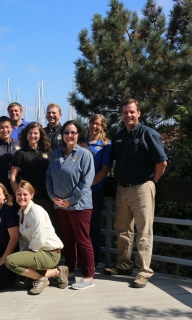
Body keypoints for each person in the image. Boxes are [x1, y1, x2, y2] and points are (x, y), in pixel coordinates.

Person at [104, 98, 167, 288]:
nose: (128, 115)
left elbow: (161, 163)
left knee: (144, 232)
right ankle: (123, 265)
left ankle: (143, 271)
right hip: (122, 189)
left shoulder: (149, 134)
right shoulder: (119, 136)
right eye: (125, 112)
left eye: (132, 112)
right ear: (121, 115)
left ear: (138, 113)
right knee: (123, 230)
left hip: (142, 189)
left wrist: (151, 182)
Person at [46, 120, 95, 290]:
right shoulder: (56, 154)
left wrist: (70, 200)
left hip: (79, 206)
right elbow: (49, 178)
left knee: (83, 240)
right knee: (67, 240)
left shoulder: (85, 154)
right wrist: (53, 197)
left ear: (78, 134)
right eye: (66, 132)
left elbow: (86, 182)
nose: (69, 136)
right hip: (60, 206)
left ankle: (89, 276)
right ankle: (71, 272)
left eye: (73, 132)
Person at [5, 181, 68, 295]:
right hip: (36, 252)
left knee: (10, 261)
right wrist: (22, 255)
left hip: (50, 252)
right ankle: (57, 272)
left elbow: (39, 240)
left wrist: (23, 254)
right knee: (20, 282)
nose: (21, 197)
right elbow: (23, 240)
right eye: (19, 194)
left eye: (25, 194)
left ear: (32, 195)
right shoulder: (20, 213)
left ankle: (41, 279)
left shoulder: (37, 212)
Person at [10, 122, 59, 236]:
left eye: (35, 133)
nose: (33, 136)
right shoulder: (20, 153)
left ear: (40, 135)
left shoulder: (48, 151)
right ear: (26, 135)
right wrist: (18, 194)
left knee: (48, 227)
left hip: (46, 197)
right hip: (29, 199)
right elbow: (13, 177)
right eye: (30, 133)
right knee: (29, 230)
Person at [86, 114, 113, 267]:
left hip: (95, 191)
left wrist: (88, 185)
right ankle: (80, 259)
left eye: (97, 124)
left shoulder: (106, 145)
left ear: (102, 127)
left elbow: (104, 170)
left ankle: (93, 260)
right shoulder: (80, 141)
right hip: (78, 192)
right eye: (92, 123)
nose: (94, 126)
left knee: (94, 226)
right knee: (79, 226)